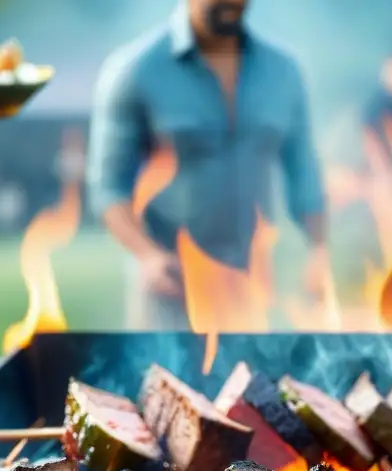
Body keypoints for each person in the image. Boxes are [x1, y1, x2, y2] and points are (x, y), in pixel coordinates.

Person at [87, 0, 329, 330]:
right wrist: (148, 255)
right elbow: (108, 187)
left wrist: (317, 250)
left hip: (252, 287)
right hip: (171, 289)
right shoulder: (135, 70)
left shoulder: (284, 72)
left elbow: (304, 173)